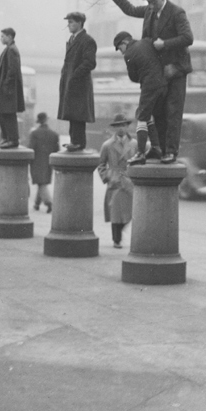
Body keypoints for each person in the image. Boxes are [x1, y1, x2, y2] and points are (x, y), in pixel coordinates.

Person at [109, 0, 194, 163]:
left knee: (173, 111)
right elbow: (130, 9)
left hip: (176, 69)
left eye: (153, 1)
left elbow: (188, 38)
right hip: (159, 71)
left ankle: (171, 151)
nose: (151, 5)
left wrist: (165, 44)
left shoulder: (176, 13)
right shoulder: (149, 11)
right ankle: (160, 150)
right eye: (148, 2)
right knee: (158, 112)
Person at [113, 31, 166, 164]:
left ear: (125, 43)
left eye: (120, 48)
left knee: (141, 116)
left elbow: (133, 77)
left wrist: (142, 75)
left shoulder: (129, 54)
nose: (121, 52)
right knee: (150, 115)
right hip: (163, 83)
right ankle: (156, 147)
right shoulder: (147, 41)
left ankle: (140, 153)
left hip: (148, 85)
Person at [57, 12, 97, 152]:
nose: (69, 25)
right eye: (68, 22)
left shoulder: (87, 40)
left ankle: (78, 142)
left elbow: (90, 63)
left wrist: (74, 76)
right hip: (71, 83)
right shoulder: (72, 39)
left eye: (71, 22)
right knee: (72, 114)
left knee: (78, 114)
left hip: (79, 84)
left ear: (80, 23)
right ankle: (74, 141)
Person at [98, 113, 137, 249]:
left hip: (129, 182)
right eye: (118, 126)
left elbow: (139, 162)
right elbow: (101, 165)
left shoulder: (134, 144)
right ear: (114, 128)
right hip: (115, 181)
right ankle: (117, 239)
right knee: (115, 212)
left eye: (123, 125)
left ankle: (120, 231)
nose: (121, 128)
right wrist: (108, 176)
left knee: (130, 212)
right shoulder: (107, 145)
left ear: (127, 127)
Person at [0, 27, 26, 148]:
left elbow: (12, 70)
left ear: (10, 37)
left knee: (8, 114)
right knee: (2, 113)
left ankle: (12, 139)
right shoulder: (8, 49)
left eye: (3, 36)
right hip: (5, 88)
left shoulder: (12, 50)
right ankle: (6, 137)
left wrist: (7, 86)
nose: (1, 38)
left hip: (8, 89)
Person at [26, 112, 59, 213]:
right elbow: (56, 149)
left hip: (36, 162)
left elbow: (30, 148)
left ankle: (49, 203)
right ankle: (36, 204)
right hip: (49, 162)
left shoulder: (34, 134)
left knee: (41, 183)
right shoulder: (54, 134)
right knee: (42, 182)